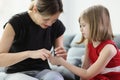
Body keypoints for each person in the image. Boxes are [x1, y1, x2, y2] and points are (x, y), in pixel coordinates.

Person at [49, 5, 120, 80]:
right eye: (80, 26)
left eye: (83, 25)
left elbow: (87, 74)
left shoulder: (109, 49)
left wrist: (62, 62)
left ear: (96, 25)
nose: (81, 29)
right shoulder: (89, 43)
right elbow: (85, 67)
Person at [0, 0, 67, 80]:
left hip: (43, 71)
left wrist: (62, 58)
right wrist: (29, 54)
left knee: (56, 78)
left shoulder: (57, 26)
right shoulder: (15, 22)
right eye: (46, 19)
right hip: (16, 72)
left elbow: (58, 61)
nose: (49, 24)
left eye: (54, 20)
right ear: (35, 9)